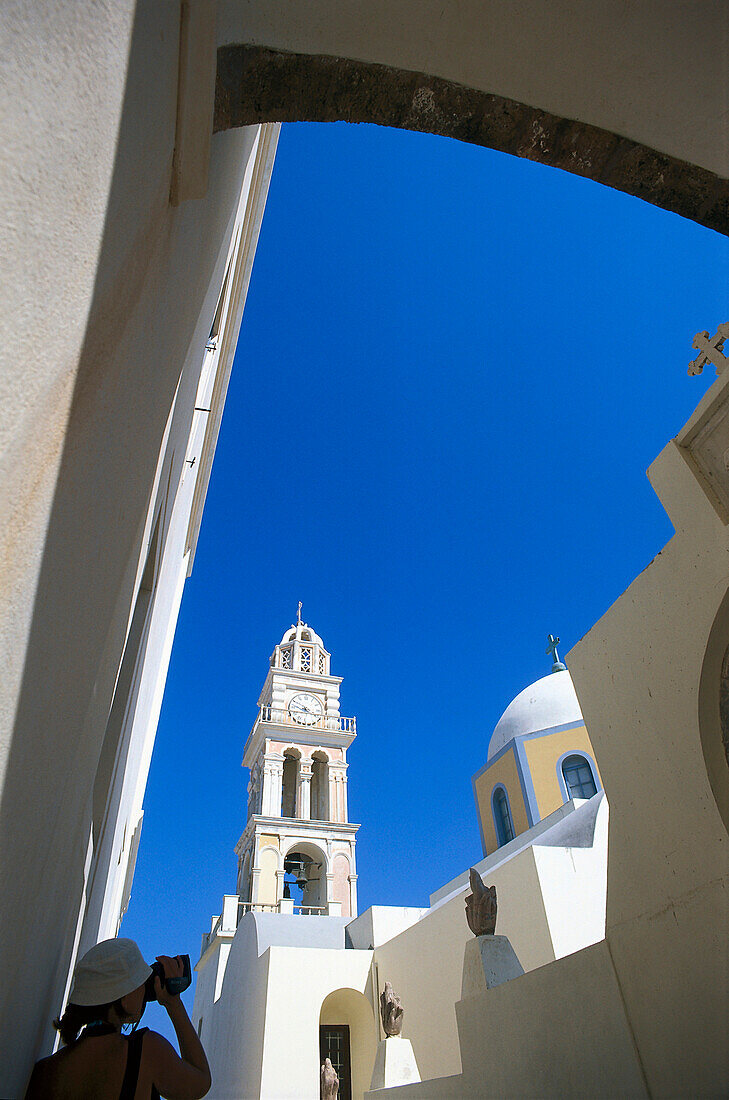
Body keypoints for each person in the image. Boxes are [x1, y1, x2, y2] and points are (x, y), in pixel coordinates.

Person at [24, 937, 211, 1099]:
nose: (144, 988)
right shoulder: (146, 1050)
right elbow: (201, 1082)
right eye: (139, 982)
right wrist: (173, 1004)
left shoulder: (46, 1071)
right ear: (124, 998)